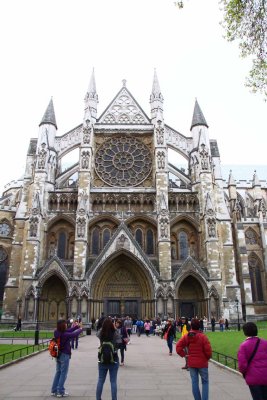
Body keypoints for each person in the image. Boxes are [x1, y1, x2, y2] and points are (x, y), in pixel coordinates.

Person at [176, 318, 212, 400]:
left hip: (191, 362)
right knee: (205, 382)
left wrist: (185, 355)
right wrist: (207, 358)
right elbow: (208, 351)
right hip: (202, 363)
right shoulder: (203, 337)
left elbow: (178, 347)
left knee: (194, 382)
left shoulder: (187, 336)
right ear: (199, 326)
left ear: (191, 326)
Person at [51, 319, 83, 398]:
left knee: (58, 372)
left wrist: (76, 327)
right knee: (63, 374)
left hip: (58, 354)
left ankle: (54, 390)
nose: (66, 325)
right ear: (62, 325)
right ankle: (60, 391)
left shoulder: (57, 332)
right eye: (65, 324)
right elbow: (74, 335)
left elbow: (69, 330)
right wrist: (80, 329)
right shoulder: (64, 335)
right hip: (64, 355)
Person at [238, 322, 267, 400]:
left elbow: (242, 365)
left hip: (253, 377)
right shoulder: (265, 343)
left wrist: (244, 373)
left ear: (245, 332)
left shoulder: (244, 346)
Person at [96, 318, 121, 400]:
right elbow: (119, 342)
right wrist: (115, 328)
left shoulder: (101, 333)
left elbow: (97, 334)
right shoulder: (115, 333)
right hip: (113, 359)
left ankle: (98, 398)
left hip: (102, 359)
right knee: (113, 382)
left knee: (100, 380)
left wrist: (102, 327)